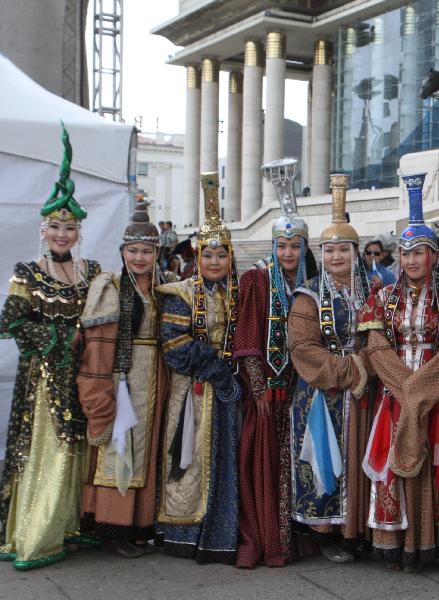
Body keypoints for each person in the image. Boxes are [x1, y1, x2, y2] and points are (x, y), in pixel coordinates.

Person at [357, 172, 439, 572]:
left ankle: (431, 544)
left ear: (433, 256)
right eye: (405, 253)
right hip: (394, 392)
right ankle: (395, 544)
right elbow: (376, 346)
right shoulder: (382, 297)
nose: (411, 260)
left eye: (419, 252)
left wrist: (420, 392)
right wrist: (405, 389)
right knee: (396, 466)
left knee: (437, 465)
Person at [0, 125, 102, 570]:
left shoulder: (91, 272)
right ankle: (35, 535)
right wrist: (56, 338)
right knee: (47, 450)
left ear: (79, 232)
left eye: (70, 227)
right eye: (56, 226)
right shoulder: (27, 272)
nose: (63, 234)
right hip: (42, 381)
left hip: (81, 376)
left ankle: (68, 525)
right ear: (44, 229)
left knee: (79, 449)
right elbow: (9, 323)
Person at [77, 199, 173, 558]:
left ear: (156, 253)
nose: (139, 258)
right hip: (124, 377)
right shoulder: (112, 286)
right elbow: (99, 344)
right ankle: (113, 527)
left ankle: (139, 525)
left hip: (156, 378)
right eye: (132, 250)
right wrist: (101, 388)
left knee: (146, 452)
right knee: (120, 447)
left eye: (146, 251)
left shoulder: (165, 287)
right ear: (123, 251)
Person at [155, 173, 242, 564]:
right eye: (207, 255)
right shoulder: (180, 294)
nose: (214, 261)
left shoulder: (238, 294)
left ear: (230, 256)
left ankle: (220, 532)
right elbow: (175, 348)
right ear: (196, 256)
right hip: (192, 393)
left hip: (227, 396)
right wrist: (218, 371)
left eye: (221, 254)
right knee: (187, 461)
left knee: (224, 461)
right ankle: (183, 533)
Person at [288, 174, 371, 563]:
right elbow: (303, 347)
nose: (337, 257)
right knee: (326, 457)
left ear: (357, 252)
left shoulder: (375, 291)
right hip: (323, 391)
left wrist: (367, 366)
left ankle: (356, 529)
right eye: (330, 250)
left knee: (360, 459)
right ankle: (326, 533)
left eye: (344, 249)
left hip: (365, 390)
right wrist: (348, 370)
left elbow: (382, 339)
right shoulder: (307, 294)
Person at [233, 164, 311, 568]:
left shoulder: (311, 283)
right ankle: (268, 542)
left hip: (302, 391)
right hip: (267, 392)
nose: (287, 253)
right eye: (281, 245)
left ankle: (300, 537)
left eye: (294, 246)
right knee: (264, 461)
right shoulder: (256, 280)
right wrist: (260, 388)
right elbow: (246, 341)